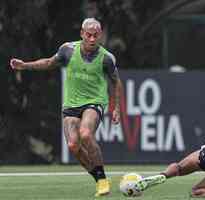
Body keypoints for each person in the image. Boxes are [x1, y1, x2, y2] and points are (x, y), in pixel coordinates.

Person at [10, 18, 122, 197]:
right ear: (82, 34)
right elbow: (48, 63)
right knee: (73, 145)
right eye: (88, 35)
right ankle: (98, 178)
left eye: (96, 35)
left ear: (100, 35)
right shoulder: (68, 50)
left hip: (95, 101)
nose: (92, 39)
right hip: (71, 104)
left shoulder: (107, 58)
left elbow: (116, 82)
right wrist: (25, 65)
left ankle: (102, 179)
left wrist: (116, 108)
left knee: (86, 133)